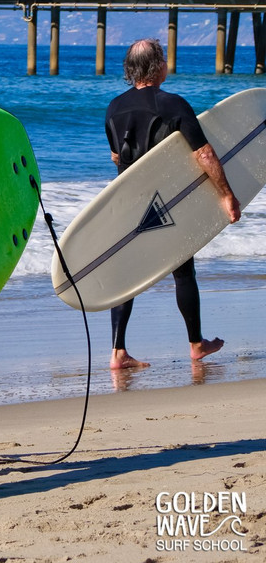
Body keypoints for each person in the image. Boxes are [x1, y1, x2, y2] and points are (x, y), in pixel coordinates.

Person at [104, 39, 239, 370]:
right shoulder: (173, 104)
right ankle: (196, 344)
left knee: (126, 274)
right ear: (158, 66)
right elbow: (203, 153)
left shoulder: (113, 108)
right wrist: (226, 193)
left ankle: (118, 352)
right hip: (167, 203)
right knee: (183, 270)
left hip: (128, 202)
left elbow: (116, 156)